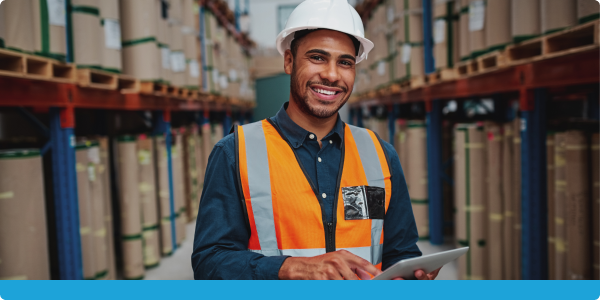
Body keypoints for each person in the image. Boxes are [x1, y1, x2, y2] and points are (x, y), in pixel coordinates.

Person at [192, 0, 440, 280]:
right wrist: (290, 268)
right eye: (317, 57)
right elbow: (209, 263)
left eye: (345, 62)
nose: (332, 75)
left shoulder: (380, 155)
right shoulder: (235, 153)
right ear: (289, 61)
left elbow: (400, 250)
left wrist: (410, 274)